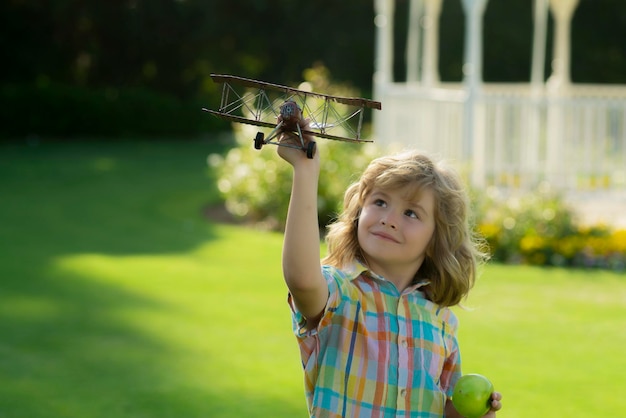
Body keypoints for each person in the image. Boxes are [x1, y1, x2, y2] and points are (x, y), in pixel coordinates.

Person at [277, 119, 503, 418]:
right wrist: (305, 170)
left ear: (436, 239)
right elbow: (302, 281)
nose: (389, 218)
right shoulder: (340, 293)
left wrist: (467, 413)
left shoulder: (441, 321)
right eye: (380, 202)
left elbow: (441, 406)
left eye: (410, 212)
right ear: (359, 212)